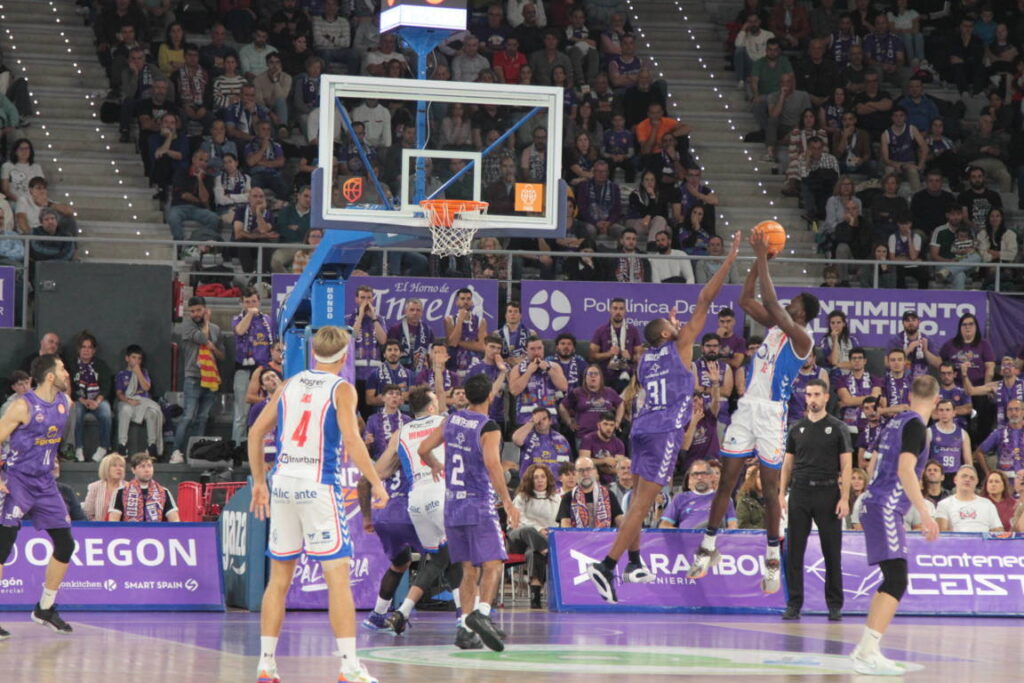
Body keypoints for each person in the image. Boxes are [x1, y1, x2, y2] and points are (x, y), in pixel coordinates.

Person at [585, 232, 741, 603]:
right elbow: (705, 299)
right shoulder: (680, 345)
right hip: (662, 432)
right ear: (670, 333)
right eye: (676, 326)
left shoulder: (646, 356)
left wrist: (670, 326)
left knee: (638, 499)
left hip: (640, 427)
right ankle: (606, 566)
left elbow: (663, 334)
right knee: (641, 506)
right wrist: (730, 259)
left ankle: (636, 561)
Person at [247, 326, 388, 683]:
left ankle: (266, 664)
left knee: (279, 579)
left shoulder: (289, 383)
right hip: (317, 485)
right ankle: (349, 667)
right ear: (344, 357)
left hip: (282, 483)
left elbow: (254, 432)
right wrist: (375, 482)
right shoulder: (341, 389)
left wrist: (259, 483)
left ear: (313, 354)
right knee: (337, 577)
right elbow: (354, 443)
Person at [688, 231, 821, 594]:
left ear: (803, 314)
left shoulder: (802, 339)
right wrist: (757, 263)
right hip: (746, 410)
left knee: (771, 489)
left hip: (772, 416)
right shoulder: (776, 329)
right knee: (726, 481)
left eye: (795, 304)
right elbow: (747, 298)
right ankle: (708, 547)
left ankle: (773, 559)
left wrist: (762, 256)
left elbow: (773, 303)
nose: (788, 305)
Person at [417, 374, 518, 653]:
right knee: (495, 562)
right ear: (490, 397)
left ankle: (464, 628)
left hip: (452, 506)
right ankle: (482, 614)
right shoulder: (489, 426)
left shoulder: (451, 419)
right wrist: (508, 501)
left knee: (467, 569)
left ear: (466, 396)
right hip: (478, 503)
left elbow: (423, 449)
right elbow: (493, 465)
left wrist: (436, 465)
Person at [849, 374, 939, 675]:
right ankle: (868, 651)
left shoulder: (894, 422)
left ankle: (866, 648)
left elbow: (872, 463)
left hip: (874, 501)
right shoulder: (916, 426)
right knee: (897, 579)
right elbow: (905, 469)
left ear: (910, 396)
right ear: (937, 401)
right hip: (886, 506)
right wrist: (925, 514)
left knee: (891, 577)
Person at [0, 354, 76, 637]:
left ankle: (44, 608)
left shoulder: (65, 403)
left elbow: (49, 439)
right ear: (50, 377)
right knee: (2, 547)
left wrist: (51, 459)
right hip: (17, 481)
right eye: (63, 369)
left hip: (45, 483)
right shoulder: (22, 406)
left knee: (66, 545)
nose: (67, 373)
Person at [778, 379, 853, 621]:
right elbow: (787, 464)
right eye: (809, 394)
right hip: (799, 492)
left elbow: (847, 464)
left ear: (826, 397)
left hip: (828, 492)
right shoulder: (796, 428)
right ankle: (794, 603)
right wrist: (781, 493)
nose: (812, 399)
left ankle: (834, 605)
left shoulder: (837, 427)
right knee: (794, 552)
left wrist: (844, 497)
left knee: (832, 552)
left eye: (817, 394)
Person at [171, 296, 224, 465]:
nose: (195, 314)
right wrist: (207, 323)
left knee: (202, 417)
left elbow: (221, 355)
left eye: (198, 310)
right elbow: (203, 338)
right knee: (188, 416)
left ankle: (197, 453)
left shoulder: (217, 329)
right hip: (193, 376)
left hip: (211, 379)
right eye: (192, 311)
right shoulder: (187, 326)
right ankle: (176, 452)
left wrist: (213, 347)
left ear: (205, 309)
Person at [509, 463, 560, 608]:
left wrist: (548, 530)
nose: (539, 480)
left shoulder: (556, 498)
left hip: (541, 540)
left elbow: (559, 521)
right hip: (519, 537)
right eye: (535, 477)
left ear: (548, 479)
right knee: (529, 530)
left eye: (542, 477)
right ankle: (548, 552)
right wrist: (538, 529)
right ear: (530, 480)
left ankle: (535, 598)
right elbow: (518, 520)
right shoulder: (521, 497)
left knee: (534, 552)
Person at [70, 332, 114, 463]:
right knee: (76, 412)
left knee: (106, 412)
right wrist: (83, 400)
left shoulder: (101, 365)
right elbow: (70, 387)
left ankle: (103, 447)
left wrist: (97, 401)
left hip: (97, 399)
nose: (86, 350)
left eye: (89, 347)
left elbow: (106, 387)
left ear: (94, 350)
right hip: (79, 399)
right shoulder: (71, 366)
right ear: (79, 349)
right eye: (83, 347)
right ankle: (78, 448)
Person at [114, 345, 163, 459]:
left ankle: (152, 446)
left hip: (143, 403)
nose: (136, 361)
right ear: (127, 358)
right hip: (128, 403)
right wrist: (128, 401)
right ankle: (122, 445)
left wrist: (138, 372)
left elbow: (146, 388)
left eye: (139, 358)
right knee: (125, 410)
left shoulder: (144, 372)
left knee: (153, 413)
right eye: (133, 357)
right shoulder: (121, 374)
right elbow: (119, 393)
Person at [660, 460, 737, 529]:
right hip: (686, 542)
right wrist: (682, 535)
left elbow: (733, 525)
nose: (699, 477)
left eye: (703, 474)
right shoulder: (680, 498)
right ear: (691, 477)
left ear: (711, 477)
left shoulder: (723, 499)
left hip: (713, 541)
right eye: (696, 474)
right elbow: (664, 525)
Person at [108, 453, 180, 522]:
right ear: (133, 470)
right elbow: (113, 521)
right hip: (129, 534)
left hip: (156, 534)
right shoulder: (121, 492)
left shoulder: (164, 492)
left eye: (149, 466)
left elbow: (175, 520)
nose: (147, 470)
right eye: (142, 466)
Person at [557, 456, 623, 528]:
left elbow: (620, 520)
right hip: (577, 539)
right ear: (576, 473)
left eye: (588, 469)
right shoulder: (568, 497)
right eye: (581, 470)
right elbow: (565, 527)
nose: (585, 474)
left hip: (604, 538)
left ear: (595, 471)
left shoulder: (609, 495)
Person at [934, 465, 1003, 533]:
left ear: (977, 482)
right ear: (955, 479)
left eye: (972, 478)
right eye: (964, 476)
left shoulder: (988, 504)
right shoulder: (944, 504)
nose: (968, 479)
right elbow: (942, 534)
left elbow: (998, 532)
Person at [512, 407, 572, 477]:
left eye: (544, 419)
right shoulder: (527, 436)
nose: (541, 422)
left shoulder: (560, 440)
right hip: (530, 483)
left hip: (555, 484)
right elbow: (516, 440)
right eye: (538, 419)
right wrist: (532, 422)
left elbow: (567, 464)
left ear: (550, 421)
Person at [973, 398, 1024, 478]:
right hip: (1006, 481)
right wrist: (988, 473)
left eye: (1017, 409)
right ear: (1006, 413)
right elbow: (979, 453)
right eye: (1010, 410)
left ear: (1023, 412)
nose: (1013, 412)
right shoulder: (998, 433)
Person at [83, 452, 126, 521]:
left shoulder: (129, 488)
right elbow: (88, 513)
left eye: (121, 466)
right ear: (106, 468)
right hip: (99, 528)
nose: (119, 468)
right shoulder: (95, 487)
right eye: (114, 465)